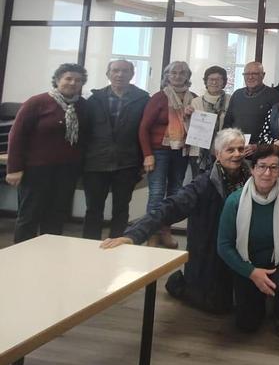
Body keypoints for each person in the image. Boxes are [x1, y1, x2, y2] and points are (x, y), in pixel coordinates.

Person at [100, 129, 251, 314]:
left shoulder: (252, 179)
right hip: (210, 252)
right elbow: (169, 207)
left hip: (241, 247)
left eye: (240, 149)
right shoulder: (203, 184)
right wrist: (133, 235)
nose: (237, 154)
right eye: (230, 150)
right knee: (218, 306)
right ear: (217, 154)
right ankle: (179, 284)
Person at [217, 144, 279, 337]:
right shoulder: (234, 201)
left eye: (274, 167)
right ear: (252, 169)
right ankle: (258, 296)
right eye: (261, 166)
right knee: (247, 324)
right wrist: (251, 273)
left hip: (278, 257)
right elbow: (224, 246)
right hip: (247, 260)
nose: (267, 173)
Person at [6, 63, 88, 243]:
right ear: (58, 80)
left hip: (66, 171)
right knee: (29, 216)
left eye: (78, 80)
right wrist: (14, 168)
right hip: (36, 170)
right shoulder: (37, 102)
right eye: (68, 78)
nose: (73, 83)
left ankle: (49, 257)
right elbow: (17, 135)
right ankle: (21, 258)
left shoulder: (83, 105)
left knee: (56, 217)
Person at [81, 60, 149, 240]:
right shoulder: (94, 99)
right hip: (96, 162)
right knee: (93, 208)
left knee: (121, 208)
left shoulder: (142, 99)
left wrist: (144, 158)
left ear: (132, 74)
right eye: (116, 70)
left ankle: (118, 244)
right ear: (108, 74)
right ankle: (88, 246)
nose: (120, 75)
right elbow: (84, 131)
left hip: (127, 162)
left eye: (125, 71)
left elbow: (145, 131)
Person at [139, 61, 196, 249]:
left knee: (174, 193)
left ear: (188, 76)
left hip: (181, 152)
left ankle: (165, 231)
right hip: (159, 152)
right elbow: (143, 128)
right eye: (173, 73)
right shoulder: (159, 97)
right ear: (167, 75)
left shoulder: (194, 99)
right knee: (156, 194)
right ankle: (152, 234)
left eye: (182, 73)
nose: (178, 76)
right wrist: (147, 154)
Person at [223, 61, 279, 154]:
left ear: (263, 75)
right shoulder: (237, 94)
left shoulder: (273, 96)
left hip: (260, 153)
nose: (250, 77)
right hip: (235, 150)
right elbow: (227, 123)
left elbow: (277, 129)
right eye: (247, 74)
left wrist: (258, 147)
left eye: (254, 74)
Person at [189, 65, 231, 175]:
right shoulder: (195, 102)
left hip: (222, 150)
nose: (214, 82)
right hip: (199, 151)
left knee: (219, 184)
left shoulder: (230, 100)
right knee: (199, 185)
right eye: (211, 79)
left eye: (218, 79)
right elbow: (190, 126)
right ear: (206, 82)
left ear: (224, 82)